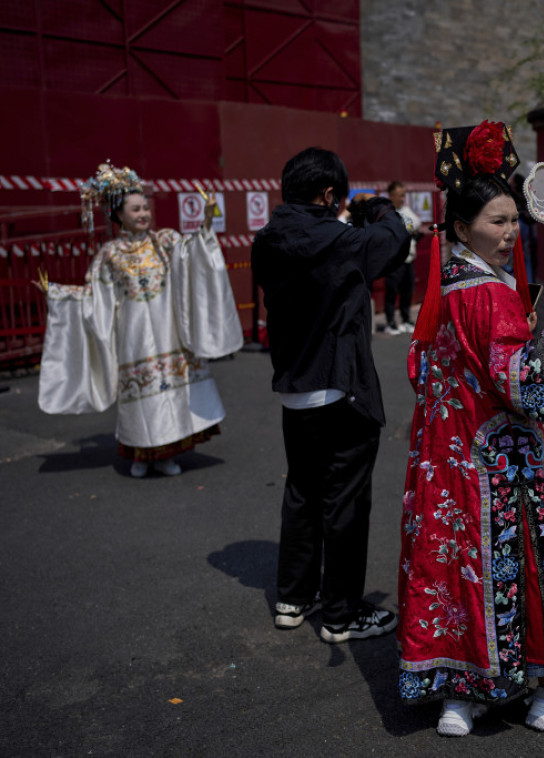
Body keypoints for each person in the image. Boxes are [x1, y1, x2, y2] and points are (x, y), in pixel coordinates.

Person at [396, 121, 544, 737]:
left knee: (455, 568)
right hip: (499, 461)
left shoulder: (448, 289)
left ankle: (461, 694)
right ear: (462, 229)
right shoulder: (492, 295)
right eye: (497, 221)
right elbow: (525, 385)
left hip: (444, 458)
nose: (511, 233)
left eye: (515, 220)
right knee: (518, 567)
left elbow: (420, 368)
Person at [251, 147, 410, 642]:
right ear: (327, 195)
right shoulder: (342, 241)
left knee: (301, 492)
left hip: (295, 388)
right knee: (345, 503)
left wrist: (349, 215)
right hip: (341, 390)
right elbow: (395, 239)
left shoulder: (265, 241)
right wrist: (375, 206)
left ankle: (293, 597)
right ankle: (341, 614)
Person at [37, 162, 242, 477]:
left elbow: (195, 252)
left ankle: (166, 456)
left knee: (173, 394)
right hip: (133, 338)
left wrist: (207, 217)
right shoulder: (109, 255)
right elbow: (95, 297)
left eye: (145, 207)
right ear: (119, 215)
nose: (143, 213)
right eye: (135, 209)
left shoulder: (165, 241)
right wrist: (58, 293)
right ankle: (140, 456)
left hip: (169, 330)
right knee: (141, 398)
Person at [384, 180, 424, 334]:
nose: (402, 199)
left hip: (409, 258)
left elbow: (416, 225)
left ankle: (406, 319)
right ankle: (390, 322)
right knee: (392, 291)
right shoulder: (387, 212)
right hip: (394, 260)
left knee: (407, 290)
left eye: (403, 195)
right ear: (391, 195)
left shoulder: (406, 211)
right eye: (399, 195)